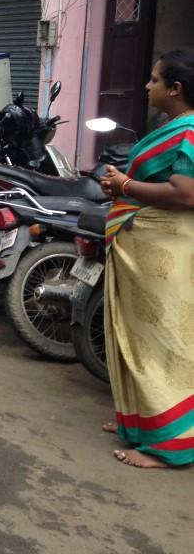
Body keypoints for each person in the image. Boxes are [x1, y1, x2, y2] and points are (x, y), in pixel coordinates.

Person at [98, 49, 194, 469]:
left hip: (163, 255)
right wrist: (120, 188)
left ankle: (171, 447)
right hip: (144, 250)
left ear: (176, 89)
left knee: (163, 344)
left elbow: (185, 194)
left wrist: (127, 185)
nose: (147, 86)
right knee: (135, 340)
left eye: (155, 80)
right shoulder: (175, 127)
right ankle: (139, 423)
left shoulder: (189, 131)